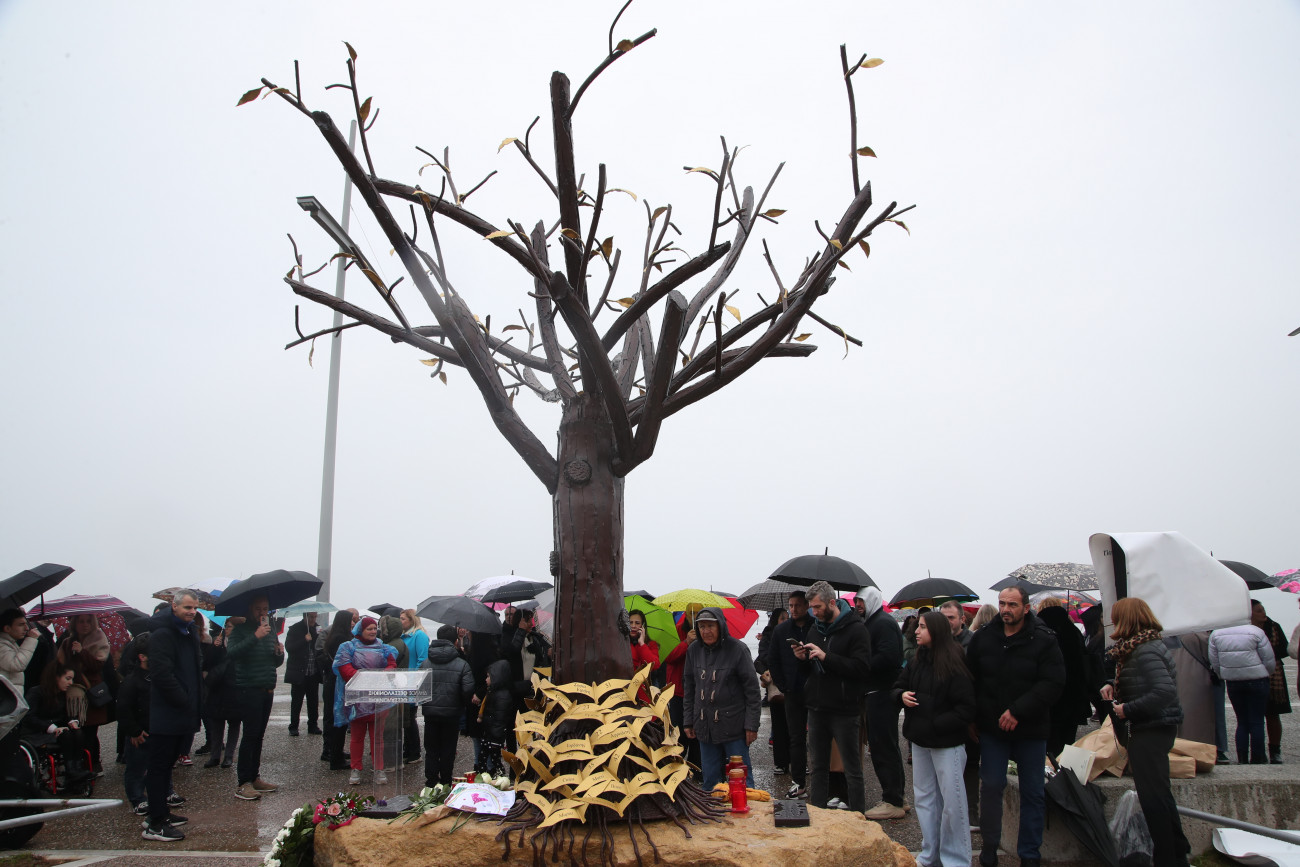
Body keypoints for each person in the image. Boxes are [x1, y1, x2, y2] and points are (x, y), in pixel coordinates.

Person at [966, 586, 1065, 867]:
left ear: (1026, 607)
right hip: (993, 729)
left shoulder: (1044, 639)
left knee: (1033, 792)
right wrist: (972, 718)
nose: (1006, 609)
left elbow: (1053, 682)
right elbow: (970, 679)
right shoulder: (984, 638)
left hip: (1031, 729)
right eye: (1002, 603)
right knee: (992, 787)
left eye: (1012, 604)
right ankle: (989, 848)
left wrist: (1018, 711)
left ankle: (1030, 855)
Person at [1101, 597, 1190, 867]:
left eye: (1116, 617)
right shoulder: (1142, 647)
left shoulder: (1145, 650)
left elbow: (1163, 692)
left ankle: (1168, 858)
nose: (1112, 622)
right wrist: (1112, 684)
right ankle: (1176, 855)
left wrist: (1128, 709)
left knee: (1155, 800)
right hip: (1153, 727)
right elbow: (1148, 682)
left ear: (1126, 619)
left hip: (1151, 729)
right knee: (1159, 796)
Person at [894, 611, 976, 867]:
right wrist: (901, 695)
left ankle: (957, 860)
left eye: (921, 627)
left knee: (953, 803)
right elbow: (899, 684)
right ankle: (930, 853)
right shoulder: (917, 660)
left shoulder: (954, 662)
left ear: (936, 631)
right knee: (925, 798)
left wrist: (936, 724)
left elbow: (966, 708)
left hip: (946, 743)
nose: (916, 631)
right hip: (920, 740)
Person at [791, 581, 872, 814]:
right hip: (817, 706)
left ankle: (859, 818)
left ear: (832, 603)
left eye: (817, 607)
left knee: (852, 768)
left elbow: (862, 669)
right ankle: (818, 817)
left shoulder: (856, 629)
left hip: (845, 709)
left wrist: (827, 658)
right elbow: (809, 673)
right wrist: (802, 659)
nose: (813, 613)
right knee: (818, 767)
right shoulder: (815, 628)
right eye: (811, 608)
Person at [143, 591, 203, 842]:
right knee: (158, 767)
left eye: (194, 608)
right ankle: (155, 824)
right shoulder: (163, 633)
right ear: (174, 606)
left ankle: (161, 812)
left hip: (181, 712)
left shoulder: (187, 632)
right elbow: (162, 674)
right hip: (167, 713)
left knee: (167, 767)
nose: (191, 611)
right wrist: (184, 700)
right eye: (187, 607)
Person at [683, 607, 761, 789]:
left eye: (710, 626)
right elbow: (689, 687)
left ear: (720, 626)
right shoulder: (693, 650)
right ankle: (714, 815)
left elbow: (752, 691)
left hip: (734, 727)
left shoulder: (738, 649)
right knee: (710, 782)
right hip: (705, 727)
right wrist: (688, 721)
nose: (706, 631)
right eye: (701, 627)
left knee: (741, 781)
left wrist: (752, 725)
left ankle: (747, 815)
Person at [226, 595, 285, 800]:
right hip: (248, 687)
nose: (262, 612)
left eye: (265, 608)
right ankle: (243, 782)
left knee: (259, 735)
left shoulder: (270, 632)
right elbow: (232, 653)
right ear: (250, 609)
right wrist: (256, 636)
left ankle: (255, 776)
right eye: (258, 608)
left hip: (267, 688)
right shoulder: (241, 630)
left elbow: (273, 663)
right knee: (250, 735)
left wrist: (279, 654)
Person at [858, 587, 908, 821]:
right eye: (857, 601)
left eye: (861, 601)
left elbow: (889, 657)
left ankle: (892, 800)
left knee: (883, 747)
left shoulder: (882, 623)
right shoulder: (873, 622)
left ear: (872, 601)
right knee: (887, 746)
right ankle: (897, 796)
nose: (858, 605)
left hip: (882, 692)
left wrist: (861, 663)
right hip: (876, 691)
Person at [333, 616, 398, 785]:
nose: (373, 631)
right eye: (369, 628)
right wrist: (365, 678)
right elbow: (344, 668)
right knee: (356, 737)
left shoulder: (384, 647)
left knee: (378, 738)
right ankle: (356, 769)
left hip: (378, 699)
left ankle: (379, 769)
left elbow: (392, 664)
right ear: (361, 630)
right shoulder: (348, 647)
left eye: (375, 628)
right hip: (358, 700)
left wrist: (385, 673)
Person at [54, 613, 119, 774]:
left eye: (88, 622)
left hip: (90, 692)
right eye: (81, 621)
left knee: (90, 730)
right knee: (76, 729)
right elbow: (59, 664)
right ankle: (79, 763)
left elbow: (98, 665)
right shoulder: (67, 642)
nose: (85, 625)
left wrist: (82, 652)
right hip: (70, 691)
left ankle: (94, 763)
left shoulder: (99, 639)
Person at [1209, 615, 1275, 765]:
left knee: (1242, 721)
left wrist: (1222, 674)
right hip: (1258, 679)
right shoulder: (1255, 632)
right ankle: (1258, 756)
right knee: (1257, 721)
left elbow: (1214, 661)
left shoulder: (1217, 634)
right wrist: (1266, 672)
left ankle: (1242, 756)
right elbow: (1269, 658)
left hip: (1233, 681)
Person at [770, 590, 815, 798]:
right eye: (791, 605)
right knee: (795, 737)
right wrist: (783, 685)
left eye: (798, 605)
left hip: (816, 689)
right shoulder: (781, 631)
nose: (794, 609)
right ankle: (798, 782)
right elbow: (774, 660)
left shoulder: (816, 627)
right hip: (792, 691)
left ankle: (824, 783)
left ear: (807, 606)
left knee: (818, 737)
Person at [1035, 599, 1092, 760]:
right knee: (1067, 744)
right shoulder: (1073, 632)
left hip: (1050, 700)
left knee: (1048, 745)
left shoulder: (1041, 633)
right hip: (1074, 697)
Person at [22, 663, 94, 788]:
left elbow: (64, 716)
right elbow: (29, 717)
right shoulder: (36, 692)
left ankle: (76, 769)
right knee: (65, 735)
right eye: (67, 678)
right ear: (56, 677)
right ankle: (71, 771)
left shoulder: (61, 694)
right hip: (36, 733)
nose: (71, 682)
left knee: (78, 732)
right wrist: (51, 727)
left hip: (55, 731)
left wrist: (72, 721)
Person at [421, 625, 474, 786]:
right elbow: (467, 689)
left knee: (431, 749)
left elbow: (420, 688)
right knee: (448, 749)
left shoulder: (425, 663)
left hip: (430, 712)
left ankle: (430, 781)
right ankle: (445, 781)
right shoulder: (461, 664)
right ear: (455, 641)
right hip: (452, 713)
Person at [1252, 601, 1290, 764]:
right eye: (1259, 611)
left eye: (1263, 610)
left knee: (1273, 714)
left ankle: (1275, 750)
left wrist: (1267, 653)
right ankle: (1256, 752)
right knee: (1253, 716)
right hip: (1252, 674)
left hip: (1275, 677)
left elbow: (1285, 649)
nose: (1263, 613)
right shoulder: (1246, 629)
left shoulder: (1274, 626)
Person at [319, 611, 357, 769]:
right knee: (338, 721)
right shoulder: (342, 639)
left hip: (331, 681)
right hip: (338, 683)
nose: (353, 624)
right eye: (351, 621)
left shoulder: (332, 636)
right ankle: (335, 757)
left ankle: (335, 752)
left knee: (335, 719)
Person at [756, 609, 789, 774]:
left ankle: (798, 762)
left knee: (797, 727)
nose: (785, 620)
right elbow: (761, 659)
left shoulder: (793, 633)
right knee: (778, 725)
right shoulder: (768, 636)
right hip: (776, 686)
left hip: (793, 686)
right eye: (782, 618)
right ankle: (781, 762)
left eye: (787, 618)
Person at [284, 612, 322, 737]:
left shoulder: (317, 629)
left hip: (313, 672)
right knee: (297, 701)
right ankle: (293, 726)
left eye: (315, 617)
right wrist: (304, 640)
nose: (313, 619)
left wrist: (318, 636)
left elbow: (320, 647)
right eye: (310, 617)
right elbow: (289, 647)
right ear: (304, 616)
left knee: (313, 701)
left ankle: (313, 725)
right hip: (299, 672)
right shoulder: (295, 629)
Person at [399, 609, 430, 764]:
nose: (401, 621)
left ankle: (415, 751)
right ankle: (407, 748)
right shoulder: (402, 636)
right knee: (404, 717)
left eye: (403, 619)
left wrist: (414, 679)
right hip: (402, 682)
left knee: (410, 717)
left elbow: (422, 658)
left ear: (411, 620)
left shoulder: (419, 635)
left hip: (412, 682)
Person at [477, 658, 515, 777]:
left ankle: (499, 778)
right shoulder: (493, 692)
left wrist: (495, 733)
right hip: (490, 732)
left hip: (494, 735)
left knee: (494, 759)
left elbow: (500, 717)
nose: (486, 679)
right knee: (484, 758)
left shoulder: (501, 695)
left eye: (488, 677)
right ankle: (484, 776)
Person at [0, 610, 40, 691]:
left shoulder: (11, 643)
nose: (26, 628)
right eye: (21, 625)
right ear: (7, 628)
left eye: (26, 624)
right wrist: (31, 640)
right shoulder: (1, 645)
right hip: (6, 700)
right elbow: (16, 664)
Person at [628, 609, 659, 701]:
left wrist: (642, 644)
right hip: (625, 692)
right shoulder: (621, 643)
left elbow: (655, 665)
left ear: (643, 626)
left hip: (644, 694)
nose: (633, 626)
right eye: (630, 622)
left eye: (637, 623)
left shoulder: (650, 644)